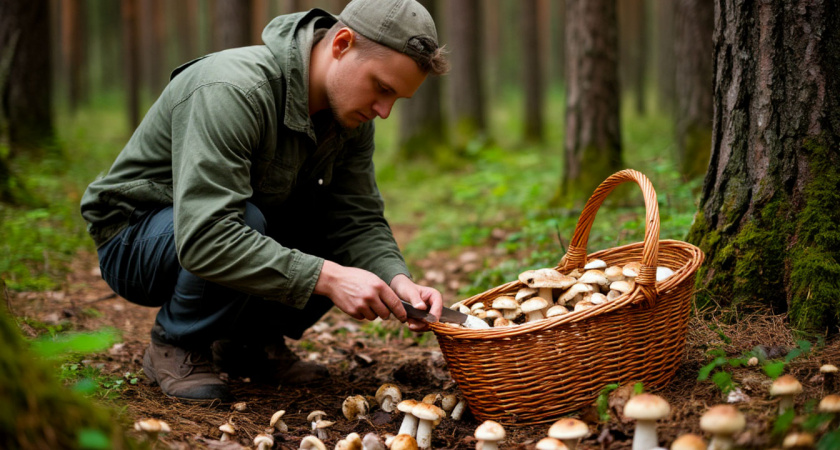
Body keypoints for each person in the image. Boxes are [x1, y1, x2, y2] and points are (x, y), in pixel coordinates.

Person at [80, 0, 448, 403]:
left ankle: (245, 343)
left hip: (222, 227)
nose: (384, 111)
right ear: (342, 43)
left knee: (316, 221)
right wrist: (329, 278)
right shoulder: (234, 89)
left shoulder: (349, 117)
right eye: (382, 88)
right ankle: (177, 342)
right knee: (247, 220)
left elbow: (356, 218)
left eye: (396, 99)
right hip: (137, 238)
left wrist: (398, 280)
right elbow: (206, 236)